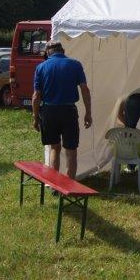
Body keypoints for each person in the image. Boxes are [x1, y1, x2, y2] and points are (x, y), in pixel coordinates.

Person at [32, 41, 92, 179]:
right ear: (63, 50)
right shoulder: (75, 64)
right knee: (71, 151)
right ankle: (70, 187)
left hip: (49, 111)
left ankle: (54, 186)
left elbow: (36, 96)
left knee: (54, 147)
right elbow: (85, 90)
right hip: (68, 110)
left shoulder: (41, 67)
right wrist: (88, 113)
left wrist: (35, 117)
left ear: (47, 52)